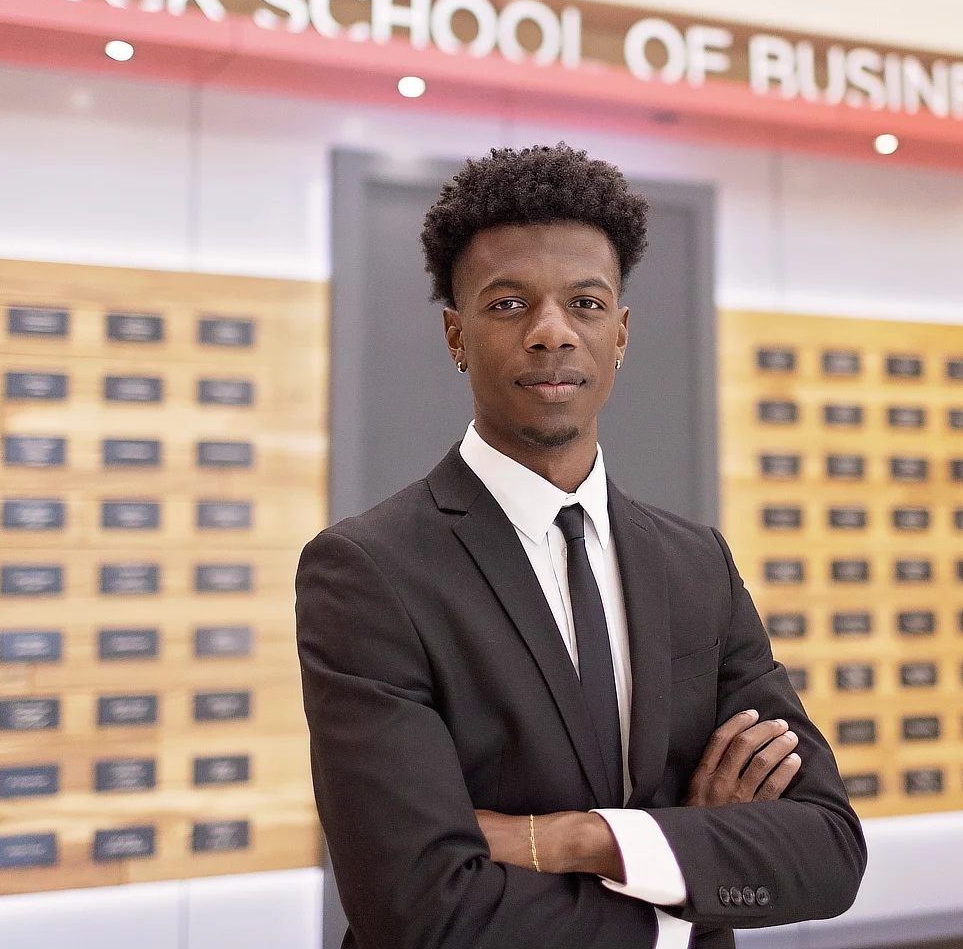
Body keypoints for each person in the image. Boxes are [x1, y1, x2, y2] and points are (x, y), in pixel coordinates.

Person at [296, 145, 867, 948]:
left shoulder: (696, 563)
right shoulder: (367, 571)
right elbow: (420, 907)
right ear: (456, 336)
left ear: (622, 332)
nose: (551, 333)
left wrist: (575, 839)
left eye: (586, 303)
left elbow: (828, 852)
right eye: (508, 305)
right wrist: (679, 877)